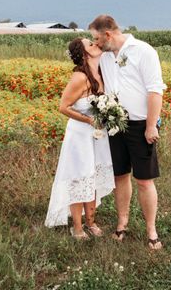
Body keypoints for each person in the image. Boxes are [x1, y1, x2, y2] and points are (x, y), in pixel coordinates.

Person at [89, 15, 166, 250]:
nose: (95, 43)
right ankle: (122, 223)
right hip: (115, 123)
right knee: (120, 176)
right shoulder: (103, 56)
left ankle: (151, 230)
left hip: (141, 125)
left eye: (96, 38)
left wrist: (151, 125)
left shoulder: (143, 51)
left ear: (108, 34)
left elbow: (155, 91)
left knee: (144, 180)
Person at [45, 37, 116, 239]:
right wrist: (88, 120)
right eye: (90, 44)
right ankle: (77, 227)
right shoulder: (79, 78)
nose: (95, 45)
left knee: (91, 177)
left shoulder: (101, 73)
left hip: (97, 135)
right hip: (80, 135)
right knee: (79, 178)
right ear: (85, 54)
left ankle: (91, 222)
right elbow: (63, 107)